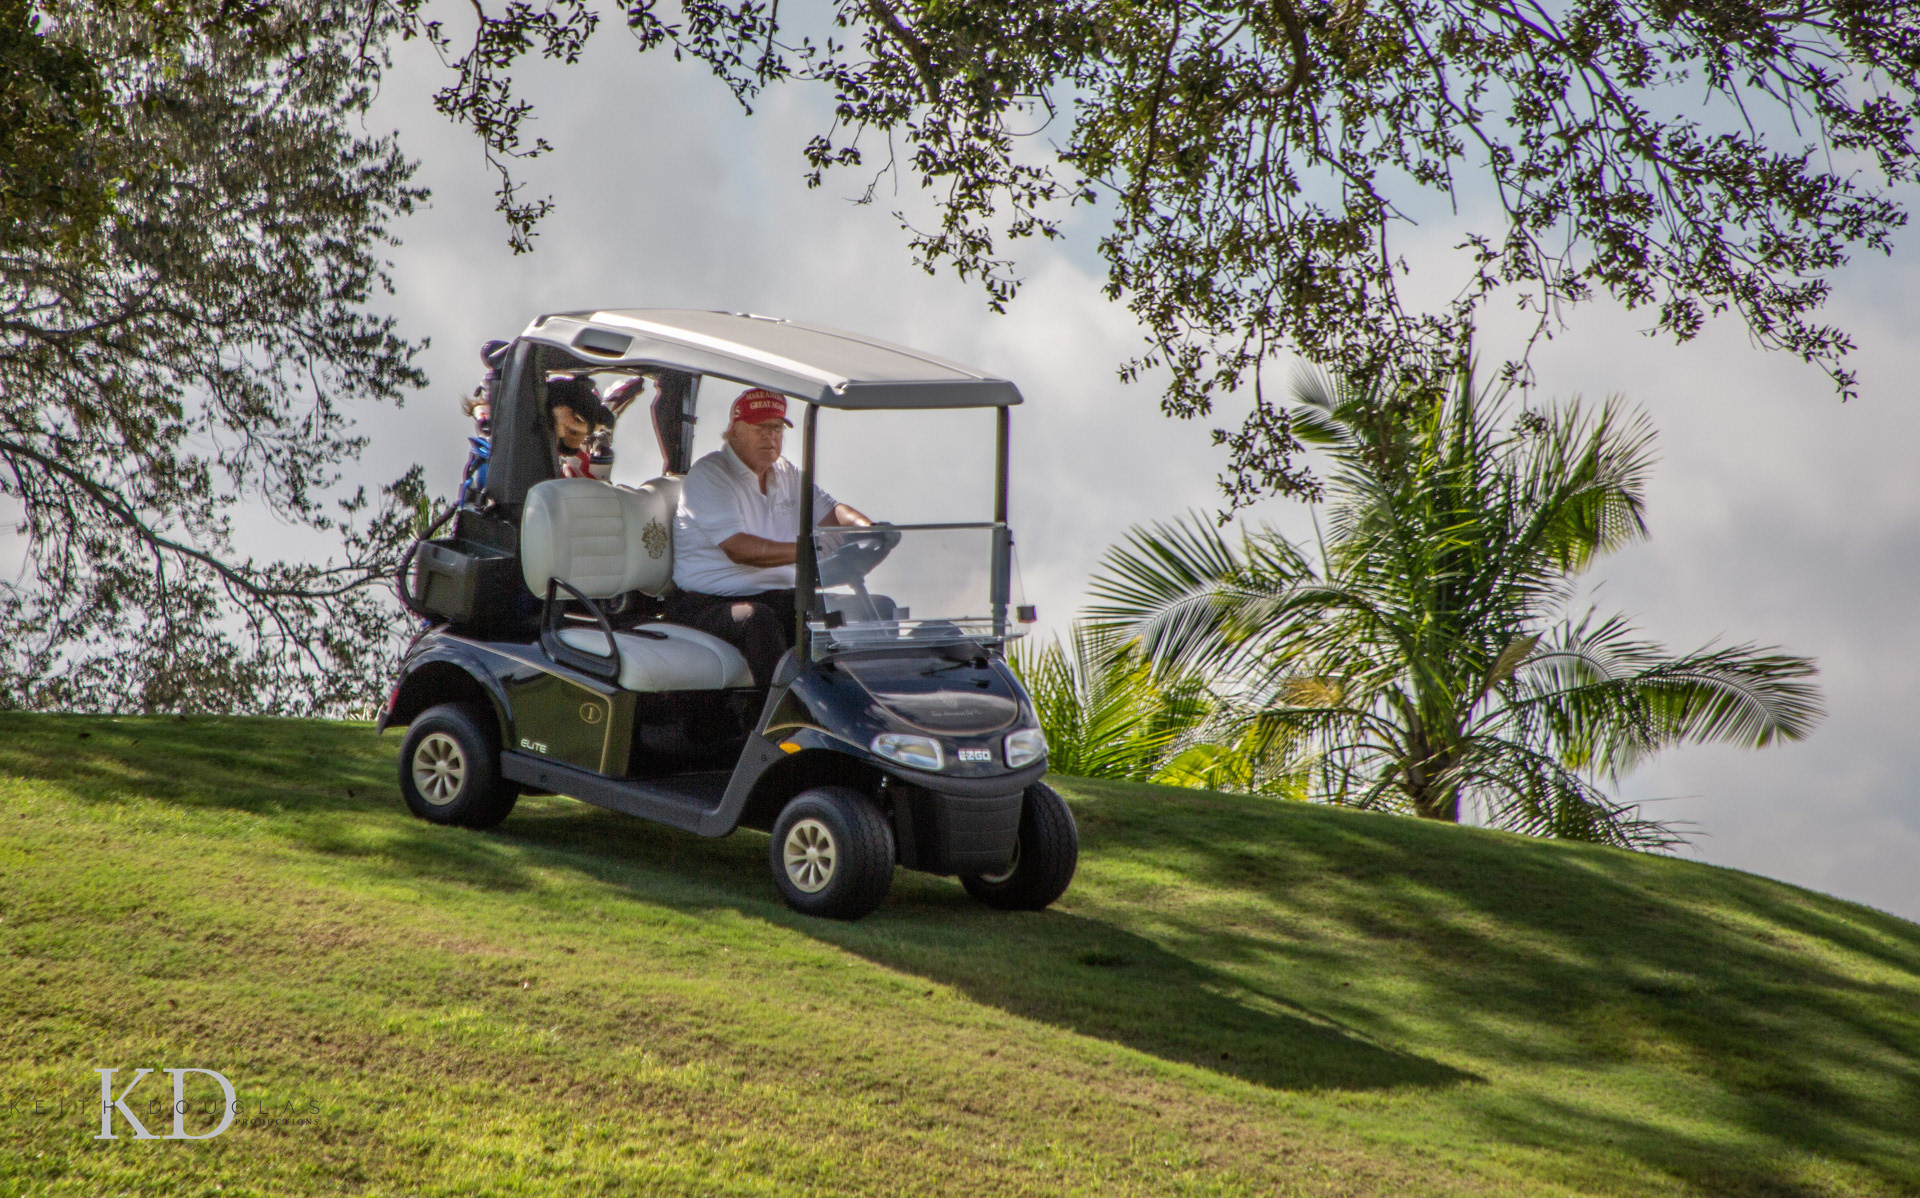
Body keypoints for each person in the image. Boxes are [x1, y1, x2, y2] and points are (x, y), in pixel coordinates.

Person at [668, 388, 871, 685]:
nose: (770, 437)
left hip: (776, 598)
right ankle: (782, 720)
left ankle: (861, 706)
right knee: (757, 619)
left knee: (841, 610)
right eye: (760, 428)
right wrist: (808, 550)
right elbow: (739, 550)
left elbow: (833, 513)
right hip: (707, 603)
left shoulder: (786, 472)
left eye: (776, 428)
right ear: (734, 431)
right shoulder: (710, 474)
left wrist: (869, 530)